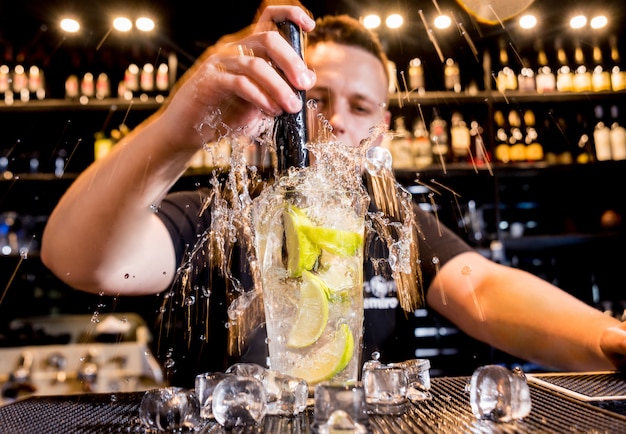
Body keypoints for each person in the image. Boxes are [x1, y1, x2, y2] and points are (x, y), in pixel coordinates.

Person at [41, 2, 626, 387]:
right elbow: (80, 259)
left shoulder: (388, 218)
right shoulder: (216, 211)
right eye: (314, 98)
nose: (337, 121)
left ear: (385, 126)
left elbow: (480, 286)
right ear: (275, 103)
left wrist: (605, 337)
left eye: (361, 106)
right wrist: (182, 122)